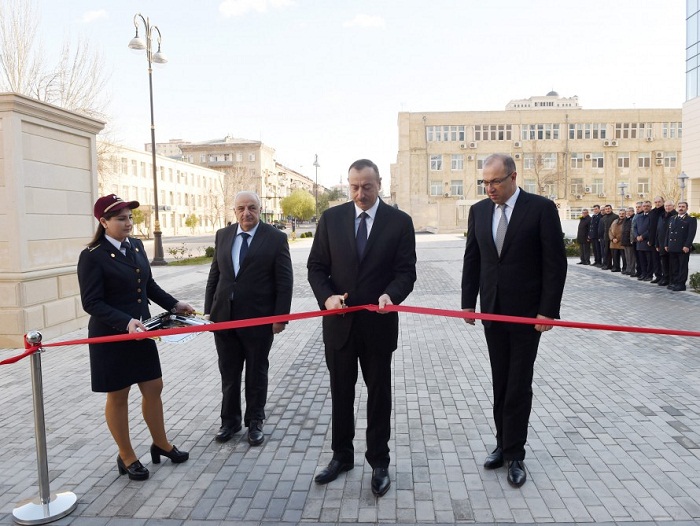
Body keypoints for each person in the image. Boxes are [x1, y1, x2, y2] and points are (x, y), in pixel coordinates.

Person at [307, 159, 417, 497]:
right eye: (354, 186)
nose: (360, 193)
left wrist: (391, 294)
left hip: (378, 326)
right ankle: (341, 457)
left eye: (367, 186)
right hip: (339, 326)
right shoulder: (331, 218)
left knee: (378, 396)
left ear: (379, 183)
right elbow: (316, 267)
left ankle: (379, 462)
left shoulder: (399, 222)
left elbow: (406, 272)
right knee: (341, 394)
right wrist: (325, 298)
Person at [461, 154, 567, 488]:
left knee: (518, 383)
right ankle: (501, 443)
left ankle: (516, 454)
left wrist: (547, 309)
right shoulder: (478, 211)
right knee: (500, 381)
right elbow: (472, 259)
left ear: (513, 177)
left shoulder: (541, 209)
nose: (489, 188)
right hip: (492, 311)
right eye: (485, 182)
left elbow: (555, 263)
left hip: (526, 315)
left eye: (495, 181)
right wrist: (468, 304)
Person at [77, 194, 194, 481]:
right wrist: (125, 321)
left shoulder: (137, 246)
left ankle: (161, 443)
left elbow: (149, 285)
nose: (128, 223)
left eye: (130, 217)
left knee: (154, 386)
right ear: (103, 222)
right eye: (121, 218)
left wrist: (174, 304)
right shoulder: (92, 256)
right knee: (118, 395)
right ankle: (127, 456)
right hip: (111, 336)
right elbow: (91, 302)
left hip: (142, 332)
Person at [205, 191, 293, 446]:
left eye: (252, 207)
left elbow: (285, 281)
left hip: (258, 319)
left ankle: (255, 421)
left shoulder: (275, 238)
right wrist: (209, 311)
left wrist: (280, 317)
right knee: (229, 373)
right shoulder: (224, 235)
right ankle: (229, 422)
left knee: (256, 371)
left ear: (260, 208)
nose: (247, 213)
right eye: (241, 208)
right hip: (224, 319)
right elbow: (215, 275)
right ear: (234, 211)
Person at [665, 201, 697, 292]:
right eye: (679, 206)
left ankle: (681, 284)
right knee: (674, 266)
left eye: (683, 206)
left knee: (682, 266)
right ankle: (674, 282)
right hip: (672, 246)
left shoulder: (691, 219)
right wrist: (666, 244)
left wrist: (687, 245)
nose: (681, 208)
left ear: (687, 208)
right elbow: (668, 233)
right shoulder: (672, 218)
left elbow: (691, 234)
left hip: (682, 247)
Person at [655, 201, 677, 286]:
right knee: (664, 262)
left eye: (669, 206)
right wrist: (657, 243)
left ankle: (672, 280)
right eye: (666, 206)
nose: (667, 207)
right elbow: (658, 230)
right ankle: (665, 278)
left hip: (670, 243)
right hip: (661, 243)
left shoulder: (675, 216)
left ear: (673, 206)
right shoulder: (662, 216)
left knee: (672, 263)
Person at [634, 201, 653, 281]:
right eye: (644, 206)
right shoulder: (639, 217)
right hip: (639, 242)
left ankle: (649, 275)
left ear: (651, 207)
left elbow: (651, 229)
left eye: (647, 206)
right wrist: (637, 236)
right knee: (641, 260)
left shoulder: (652, 216)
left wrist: (643, 236)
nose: (645, 207)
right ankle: (643, 273)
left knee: (649, 261)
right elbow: (635, 228)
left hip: (647, 242)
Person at [647, 196, 665, 283]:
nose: (658, 203)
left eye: (659, 202)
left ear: (663, 202)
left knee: (663, 260)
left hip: (662, 240)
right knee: (655, 260)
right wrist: (650, 240)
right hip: (653, 240)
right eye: (656, 202)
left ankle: (665, 277)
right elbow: (650, 227)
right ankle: (658, 276)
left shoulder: (665, 211)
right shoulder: (652, 212)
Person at [599, 205, 618, 270]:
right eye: (606, 209)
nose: (607, 210)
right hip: (606, 238)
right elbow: (601, 229)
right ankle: (607, 265)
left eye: (608, 209)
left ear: (611, 209)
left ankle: (615, 266)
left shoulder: (615, 217)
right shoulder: (603, 218)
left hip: (613, 238)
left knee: (614, 253)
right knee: (606, 252)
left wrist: (614, 237)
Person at [621, 207, 636, 276]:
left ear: (633, 212)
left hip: (630, 240)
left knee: (631, 256)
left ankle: (632, 270)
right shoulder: (626, 219)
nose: (628, 213)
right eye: (627, 212)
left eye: (630, 211)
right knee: (627, 256)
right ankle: (628, 269)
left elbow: (632, 230)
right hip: (625, 240)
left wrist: (631, 239)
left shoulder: (633, 218)